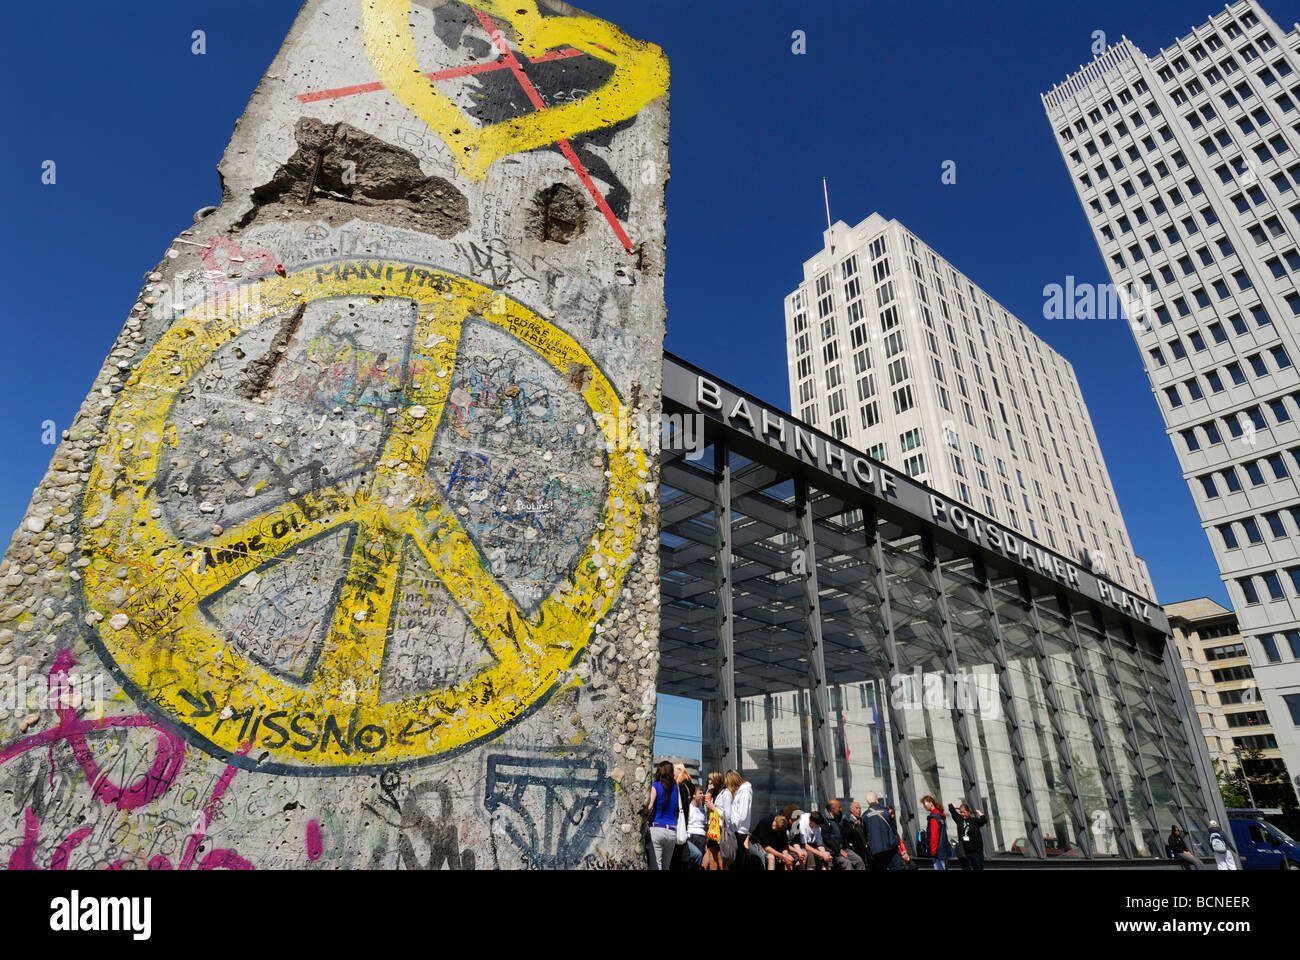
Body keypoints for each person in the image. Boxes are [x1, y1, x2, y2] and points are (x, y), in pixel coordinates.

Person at [722, 770, 764, 871]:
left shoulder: (744, 791)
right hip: (737, 829)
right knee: (737, 857)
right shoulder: (741, 791)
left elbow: (743, 813)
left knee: (736, 859)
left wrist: (734, 826)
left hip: (739, 830)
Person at [645, 761, 680, 870]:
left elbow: (650, 806)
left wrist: (646, 818)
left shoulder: (655, 786)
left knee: (656, 866)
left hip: (657, 829)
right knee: (666, 867)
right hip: (672, 832)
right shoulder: (676, 788)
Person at [824, 799, 866, 870]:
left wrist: (852, 828)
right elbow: (827, 838)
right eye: (839, 807)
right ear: (832, 809)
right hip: (833, 851)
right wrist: (839, 850)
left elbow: (843, 832)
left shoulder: (838, 817)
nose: (841, 809)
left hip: (843, 848)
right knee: (847, 864)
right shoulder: (825, 820)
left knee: (859, 861)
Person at [862, 792, 898, 872]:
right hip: (890, 847)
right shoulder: (885, 811)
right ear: (876, 799)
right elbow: (893, 827)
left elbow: (865, 833)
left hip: (876, 850)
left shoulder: (865, 816)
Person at [949, 801, 988, 871]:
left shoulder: (974, 821)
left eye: (964, 812)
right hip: (964, 852)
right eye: (961, 812)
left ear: (968, 812)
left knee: (978, 868)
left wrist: (978, 812)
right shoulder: (959, 819)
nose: (962, 814)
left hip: (975, 852)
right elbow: (951, 807)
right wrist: (959, 808)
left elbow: (984, 820)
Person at [701, 770, 727, 871]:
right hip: (712, 828)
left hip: (721, 829)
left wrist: (714, 808)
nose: (709, 783)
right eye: (709, 781)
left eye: (711, 781)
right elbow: (705, 811)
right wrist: (709, 793)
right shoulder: (711, 794)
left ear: (717, 781)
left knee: (722, 862)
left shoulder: (726, 794)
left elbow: (727, 815)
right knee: (712, 862)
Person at [921, 795, 952, 870]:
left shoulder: (934, 817)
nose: (925, 807)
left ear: (931, 803)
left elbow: (934, 836)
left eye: (925, 804)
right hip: (943, 850)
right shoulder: (940, 816)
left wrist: (933, 851)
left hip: (937, 852)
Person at [888, 805, 913, 870]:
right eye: (890, 814)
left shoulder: (893, 825)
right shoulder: (886, 826)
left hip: (898, 853)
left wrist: (904, 852)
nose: (892, 816)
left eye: (892, 813)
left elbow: (899, 840)